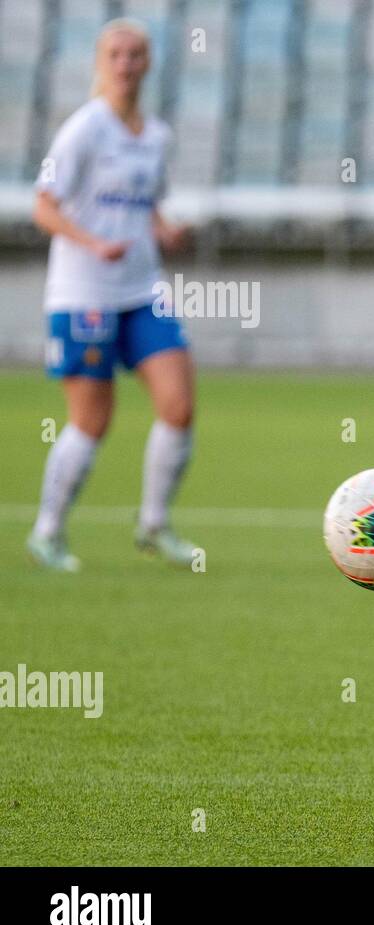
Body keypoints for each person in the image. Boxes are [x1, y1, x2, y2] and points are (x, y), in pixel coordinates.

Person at [28, 18, 198, 571]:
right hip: (84, 294)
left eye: (136, 54)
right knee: (92, 419)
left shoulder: (156, 135)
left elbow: (143, 202)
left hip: (142, 290)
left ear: (148, 63)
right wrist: (92, 242)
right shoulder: (83, 130)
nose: (126, 63)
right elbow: (44, 205)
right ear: (101, 63)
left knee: (179, 405)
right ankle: (48, 531)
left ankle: (154, 523)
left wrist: (163, 229)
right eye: (116, 54)